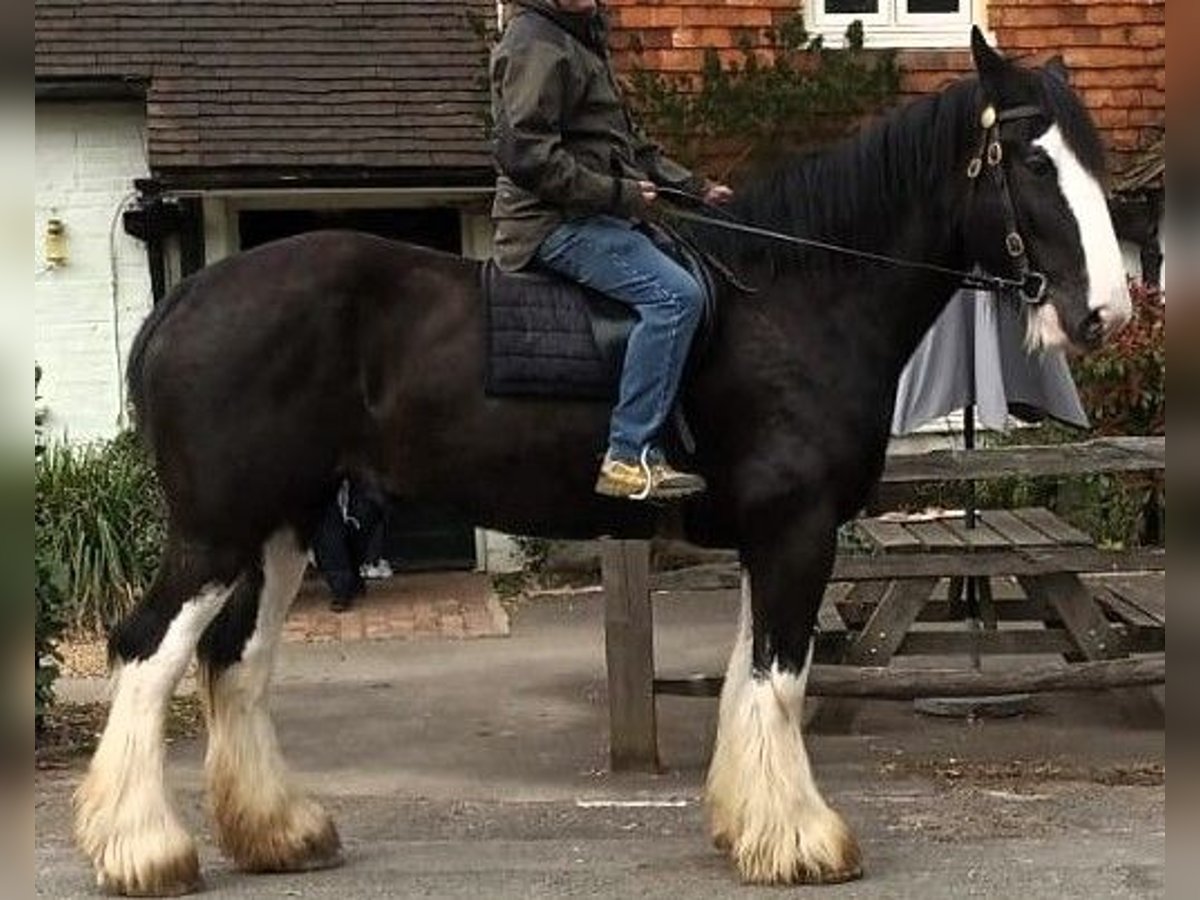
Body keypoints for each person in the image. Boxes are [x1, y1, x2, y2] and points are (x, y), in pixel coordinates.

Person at [490, 0, 733, 502]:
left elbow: (631, 148)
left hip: (597, 215)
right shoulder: (535, 41)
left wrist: (695, 187)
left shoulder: (580, 39)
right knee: (675, 298)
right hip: (551, 224)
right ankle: (629, 454)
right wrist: (617, 195)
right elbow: (525, 154)